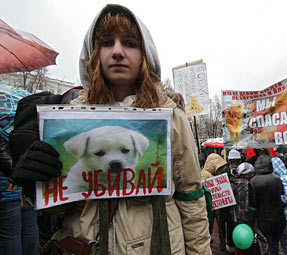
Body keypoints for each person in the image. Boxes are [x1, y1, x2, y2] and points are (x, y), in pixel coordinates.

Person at [9, 4, 211, 255]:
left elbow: (191, 197)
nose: (117, 51)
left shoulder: (171, 117)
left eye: (129, 43)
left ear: (145, 53)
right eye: (106, 42)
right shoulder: (69, 115)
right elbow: (57, 209)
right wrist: (36, 184)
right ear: (93, 52)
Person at [0, 135, 39, 255]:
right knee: (30, 228)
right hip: (29, 182)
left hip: (7, 186)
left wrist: (15, 176)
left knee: (9, 234)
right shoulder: (29, 118)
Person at [249, 154, 286, 255]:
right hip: (279, 217)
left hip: (264, 219)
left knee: (266, 245)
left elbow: (253, 204)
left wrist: (251, 220)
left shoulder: (253, 181)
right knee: (275, 245)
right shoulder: (277, 178)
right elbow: (281, 194)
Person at [201, 152, 227, 250]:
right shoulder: (206, 175)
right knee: (209, 225)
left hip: (211, 206)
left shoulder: (208, 174)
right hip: (209, 207)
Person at [229, 162, 255, 255]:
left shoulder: (232, 182)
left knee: (238, 239)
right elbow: (247, 206)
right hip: (245, 218)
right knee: (245, 240)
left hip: (235, 216)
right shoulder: (247, 185)